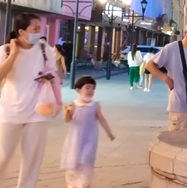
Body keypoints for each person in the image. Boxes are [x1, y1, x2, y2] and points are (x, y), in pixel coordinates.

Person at [0, 13, 63, 188]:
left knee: (32, 160)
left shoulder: (45, 49)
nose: (39, 32)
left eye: (40, 28)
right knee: (2, 156)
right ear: (21, 31)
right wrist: (13, 54)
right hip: (10, 111)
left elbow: (53, 74)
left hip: (38, 111)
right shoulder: (5, 50)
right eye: (35, 29)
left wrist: (47, 77)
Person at [146, 21, 187, 130]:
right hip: (179, 106)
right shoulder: (171, 48)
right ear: (185, 33)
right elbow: (149, 65)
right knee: (178, 138)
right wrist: (166, 79)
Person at [62, 76, 114, 188]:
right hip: (75, 138)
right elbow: (67, 120)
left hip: (90, 138)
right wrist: (67, 112)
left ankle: (84, 183)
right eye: (87, 88)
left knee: (86, 160)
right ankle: (72, 183)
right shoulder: (73, 104)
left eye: (93, 88)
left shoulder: (95, 105)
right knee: (74, 159)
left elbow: (102, 119)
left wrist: (109, 132)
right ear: (78, 90)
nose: (90, 91)